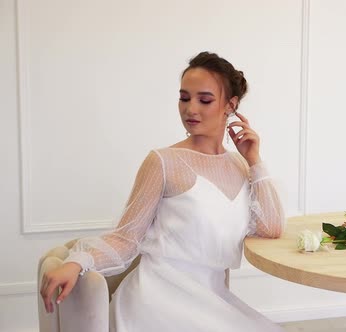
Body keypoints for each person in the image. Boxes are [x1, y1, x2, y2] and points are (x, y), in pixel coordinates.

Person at [40, 51, 286, 331]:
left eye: (204, 100)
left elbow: (272, 227)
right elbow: (125, 239)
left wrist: (255, 159)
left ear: (230, 105)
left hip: (211, 300)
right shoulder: (163, 162)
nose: (190, 109)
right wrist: (77, 262)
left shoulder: (241, 165)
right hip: (157, 300)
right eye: (184, 98)